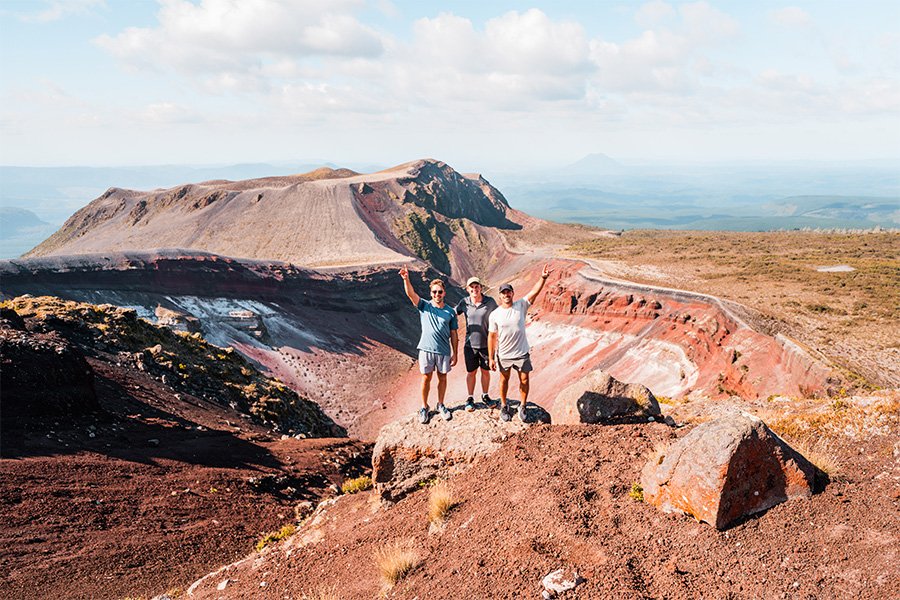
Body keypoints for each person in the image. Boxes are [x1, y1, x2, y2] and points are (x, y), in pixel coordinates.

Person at [487, 264, 553, 422]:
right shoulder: (495, 315)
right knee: (504, 380)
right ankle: (504, 406)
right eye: (503, 293)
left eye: (508, 292)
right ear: (500, 296)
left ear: (512, 293)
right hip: (504, 354)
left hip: (521, 352)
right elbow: (491, 336)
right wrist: (491, 357)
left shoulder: (521, 305)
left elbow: (534, 292)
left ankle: (522, 406)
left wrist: (543, 278)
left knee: (524, 379)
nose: (506, 294)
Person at [399, 265, 459, 424]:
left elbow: (454, 334)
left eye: (440, 291)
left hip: (443, 350)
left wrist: (455, 353)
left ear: (444, 293)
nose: (437, 294)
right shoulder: (424, 306)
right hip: (426, 349)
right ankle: (424, 407)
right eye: (434, 292)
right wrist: (406, 279)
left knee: (442, 378)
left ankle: (440, 405)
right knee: (426, 378)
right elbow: (411, 294)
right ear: (430, 293)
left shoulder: (450, 312)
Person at [455, 276, 498, 412]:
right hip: (470, 345)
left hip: (486, 344)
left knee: (485, 371)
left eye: (477, 286)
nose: (474, 289)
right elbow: (452, 313)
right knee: (471, 372)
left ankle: (485, 396)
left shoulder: (490, 302)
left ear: (481, 287)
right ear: (467, 289)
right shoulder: (464, 302)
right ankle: (470, 398)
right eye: (471, 287)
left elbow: (498, 316)